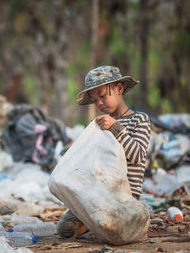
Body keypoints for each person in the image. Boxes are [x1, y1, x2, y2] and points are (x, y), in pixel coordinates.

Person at [57, 65, 151, 239]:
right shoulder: (97, 124)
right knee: (65, 229)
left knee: (118, 230)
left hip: (124, 195)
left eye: (102, 95)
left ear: (119, 88)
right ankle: (96, 223)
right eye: (94, 100)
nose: (99, 103)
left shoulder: (140, 119)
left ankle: (108, 222)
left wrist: (116, 128)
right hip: (97, 190)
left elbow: (137, 156)